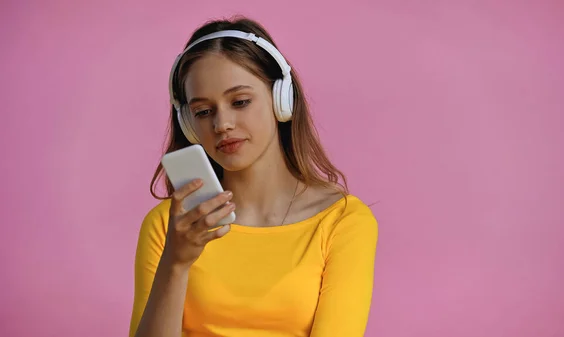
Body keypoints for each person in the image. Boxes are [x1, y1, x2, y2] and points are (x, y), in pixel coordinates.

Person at [129, 16, 378, 337]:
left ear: (281, 101)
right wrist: (175, 265)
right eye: (204, 112)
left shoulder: (343, 221)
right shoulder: (168, 226)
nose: (222, 124)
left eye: (240, 102)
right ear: (189, 124)